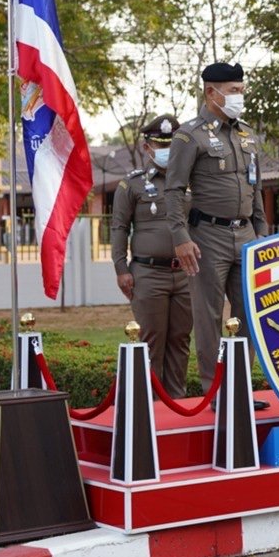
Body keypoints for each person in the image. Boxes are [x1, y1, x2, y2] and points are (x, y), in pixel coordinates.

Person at [165, 62, 267, 391]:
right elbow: (174, 190)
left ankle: (240, 387)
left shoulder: (246, 134)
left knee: (250, 313)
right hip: (207, 237)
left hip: (247, 236)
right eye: (234, 91)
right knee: (209, 317)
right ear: (212, 92)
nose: (240, 96)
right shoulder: (189, 135)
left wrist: (261, 234)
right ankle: (215, 391)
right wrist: (180, 238)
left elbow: (257, 188)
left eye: (241, 90)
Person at [111, 115, 192, 398]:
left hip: (186, 275)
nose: (166, 150)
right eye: (160, 144)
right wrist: (121, 269)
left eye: (172, 144)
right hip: (148, 275)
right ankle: (150, 407)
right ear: (147, 148)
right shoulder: (131, 185)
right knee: (151, 343)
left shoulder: (191, 182)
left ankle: (177, 405)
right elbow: (119, 228)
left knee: (180, 341)